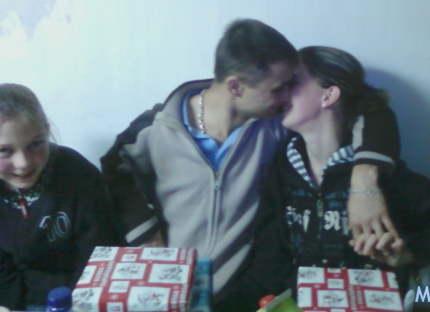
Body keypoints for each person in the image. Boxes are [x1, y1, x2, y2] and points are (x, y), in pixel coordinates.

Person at [100, 19, 401, 301]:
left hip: (240, 293)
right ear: (236, 87)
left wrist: (365, 179)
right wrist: (146, 234)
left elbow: (371, 110)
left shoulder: (276, 125)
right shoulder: (159, 128)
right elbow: (115, 170)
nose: (287, 96)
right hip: (168, 291)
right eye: (278, 88)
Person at [216, 46, 430, 311]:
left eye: (294, 82)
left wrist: (409, 254)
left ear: (329, 95)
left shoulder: (380, 176)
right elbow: (269, 258)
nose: (281, 92)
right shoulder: (281, 170)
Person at [0, 84, 120, 310]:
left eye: (36, 144)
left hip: (82, 295)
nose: (23, 163)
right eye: (4, 150)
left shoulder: (77, 174)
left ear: (47, 132)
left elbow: (99, 255)